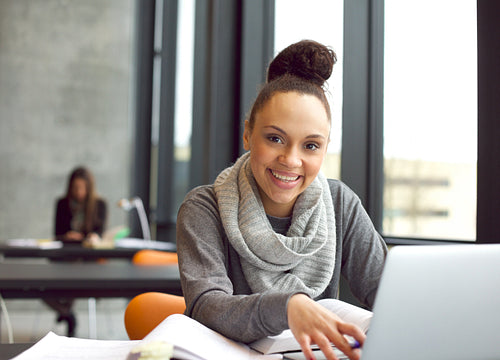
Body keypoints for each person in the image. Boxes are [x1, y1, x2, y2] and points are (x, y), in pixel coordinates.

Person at [176, 40, 388, 360]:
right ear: (248, 133)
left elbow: (389, 296)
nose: (291, 160)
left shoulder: (340, 203)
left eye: (311, 146)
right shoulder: (204, 208)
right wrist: (287, 306)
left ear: (325, 147)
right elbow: (206, 307)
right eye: (275, 138)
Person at [46, 166, 107, 337]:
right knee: (37, 284)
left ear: (89, 188)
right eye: (75, 187)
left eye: (82, 187)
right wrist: (67, 236)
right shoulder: (62, 204)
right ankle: (67, 313)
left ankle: (64, 312)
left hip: (88, 260)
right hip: (64, 257)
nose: (79, 192)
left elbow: (99, 233)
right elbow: (57, 233)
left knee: (73, 273)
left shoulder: (99, 205)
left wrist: (93, 237)